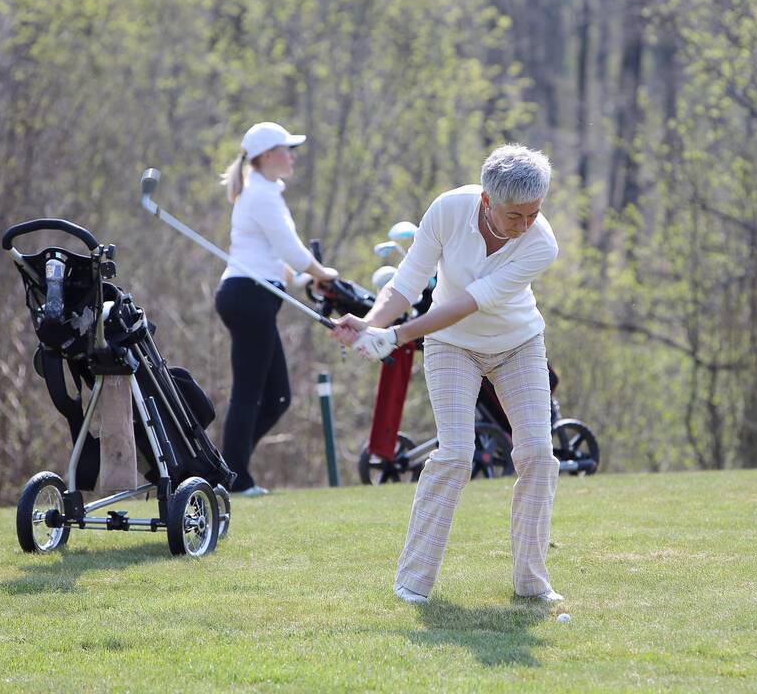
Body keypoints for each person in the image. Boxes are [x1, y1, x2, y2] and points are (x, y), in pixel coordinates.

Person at [331, 144, 563, 603]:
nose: (525, 226)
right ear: (486, 201)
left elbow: (469, 302)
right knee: (456, 455)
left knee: (537, 452)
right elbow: (408, 280)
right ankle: (412, 583)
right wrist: (371, 323)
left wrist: (396, 337)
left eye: (533, 213)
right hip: (452, 347)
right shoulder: (448, 209)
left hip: (518, 345)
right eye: (515, 216)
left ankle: (531, 583)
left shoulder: (541, 244)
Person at [215, 122, 337, 497]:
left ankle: (225, 468)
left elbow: (282, 267)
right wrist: (322, 272)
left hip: (257, 294)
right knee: (249, 393)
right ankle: (234, 477)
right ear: (267, 156)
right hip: (247, 295)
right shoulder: (261, 194)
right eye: (287, 149)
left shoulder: (265, 192)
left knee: (278, 397)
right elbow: (292, 251)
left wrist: (306, 279)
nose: (292, 155)